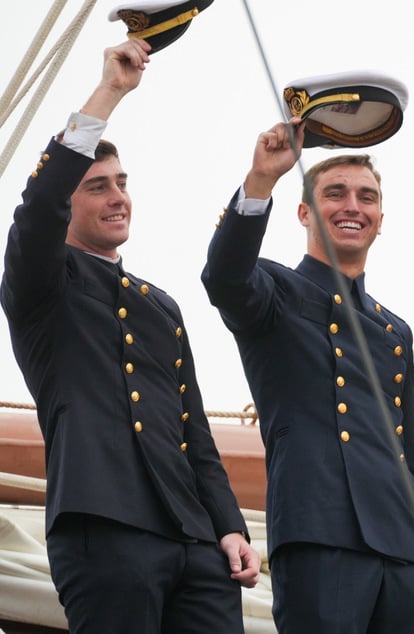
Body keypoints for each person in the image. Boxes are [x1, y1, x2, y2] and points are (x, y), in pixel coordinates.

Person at [0, 39, 259, 633]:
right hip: (105, 528)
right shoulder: (44, 288)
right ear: (68, 206)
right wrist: (111, 92)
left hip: (196, 542)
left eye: (121, 183)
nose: (118, 197)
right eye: (97, 186)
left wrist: (228, 525)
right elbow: (37, 207)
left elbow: (194, 433)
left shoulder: (159, 307)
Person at [201, 118, 414, 634]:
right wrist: (261, 179)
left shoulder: (394, 329)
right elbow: (224, 276)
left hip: (404, 552)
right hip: (321, 534)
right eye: (334, 194)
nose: (352, 206)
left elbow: (411, 461)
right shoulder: (275, 290)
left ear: (381, 217)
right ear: (304, 212)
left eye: (367, 197)